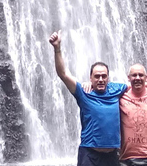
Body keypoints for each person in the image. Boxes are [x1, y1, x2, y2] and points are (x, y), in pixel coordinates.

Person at [49, 30, 126, 166]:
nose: (101, 79)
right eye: (97, 76)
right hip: (89, 155)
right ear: (90, 78)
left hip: (112, 156)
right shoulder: (84, 93)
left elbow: (138, 84)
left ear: (108, 77)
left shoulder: (117, 89)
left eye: (104, 76)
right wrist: (57, 49)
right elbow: (63, 74)